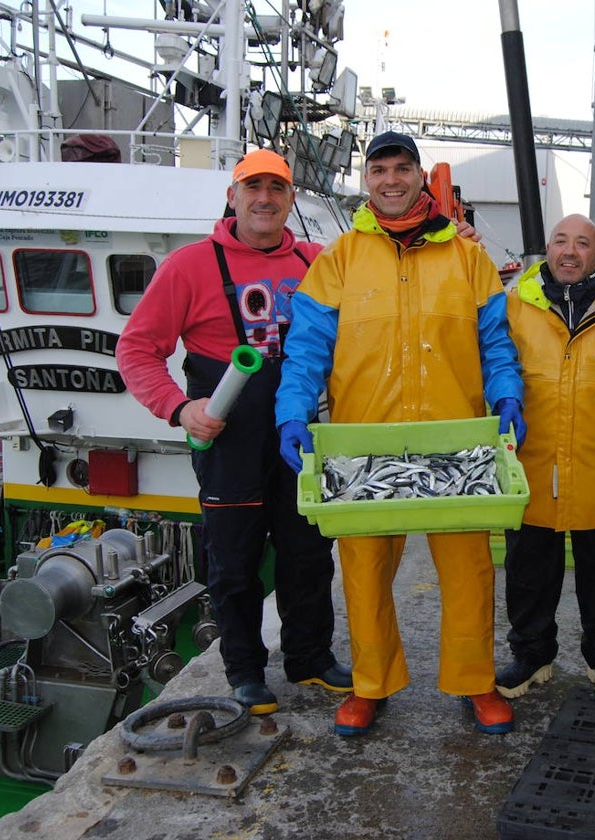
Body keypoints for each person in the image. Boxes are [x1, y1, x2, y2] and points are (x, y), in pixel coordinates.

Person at [274, 130, 526, 737]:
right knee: (363, 569)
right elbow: (306, 347)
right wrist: (293, 410)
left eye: (402, 168)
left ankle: (475, 682)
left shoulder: (468, 258)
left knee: (468, 569)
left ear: (420, 176)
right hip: (364, 441)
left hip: (456, 438)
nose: (391, 179)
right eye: (379, 169)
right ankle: (371, 685)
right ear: (368, 180)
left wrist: (508, 392)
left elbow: (494, 341)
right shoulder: (339, 258)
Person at [116, 148, 352, 715]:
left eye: (277, 188)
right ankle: (245, 671)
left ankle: (309, 658)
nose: (264, 199)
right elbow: (137, 349)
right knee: (233, 562)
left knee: (309, 553)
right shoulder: (189, 266)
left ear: (292, 199)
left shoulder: (320, 261)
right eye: (253, 188)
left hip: (303, 433)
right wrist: (179, 408)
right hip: (230, 439)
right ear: (233, 197)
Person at [495, 214, 595, 699]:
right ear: (547, 248)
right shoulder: (514, 307)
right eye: (561, 241)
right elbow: (493, 369)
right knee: (527, 572)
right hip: (531, 466)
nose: (569, 251)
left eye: (583, 244)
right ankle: (531, 654)